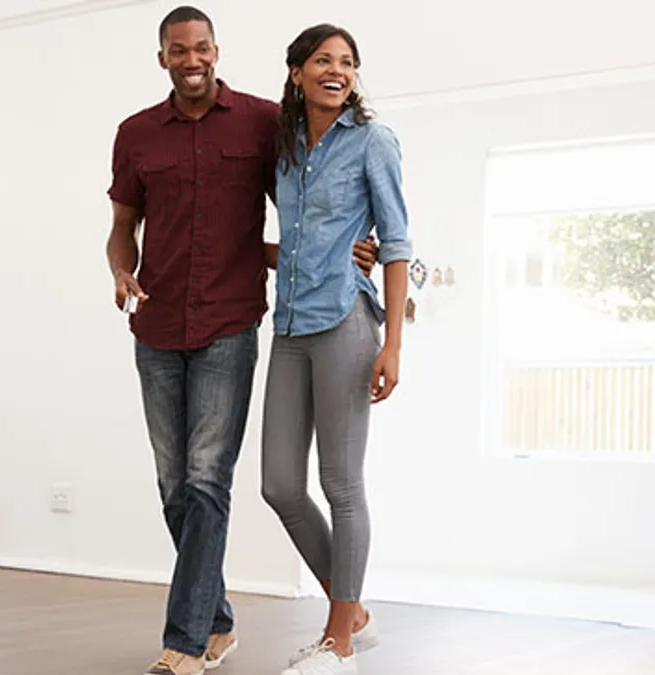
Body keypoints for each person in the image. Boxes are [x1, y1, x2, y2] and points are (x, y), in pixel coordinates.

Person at [105, 8, 378, 675]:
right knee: (175, 484)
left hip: (230, 323)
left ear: (216, 51)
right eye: (178, 50)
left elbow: (308, 200)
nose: (191, 58)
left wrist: (347, 252)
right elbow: (122, 225)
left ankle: (187, 640)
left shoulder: (261, 123)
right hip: (157, 326)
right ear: (162, 58)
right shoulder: (135, 135)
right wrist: (119, 267)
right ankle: (219, 619)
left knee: (207, 478)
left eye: (201, 47)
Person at [260, 23, 412, 675]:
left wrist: (394, 345)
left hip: (348, 322)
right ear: (295, 72)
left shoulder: (372, 141)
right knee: (279, 485)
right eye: (323, 60)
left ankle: (339, 642)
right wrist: (305, 252)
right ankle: (354, 612)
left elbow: (398, 241)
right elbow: (283, 239)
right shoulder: (285, 149)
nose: (337, 70)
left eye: (347, 62)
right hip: (290, 326)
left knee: (339, 483)